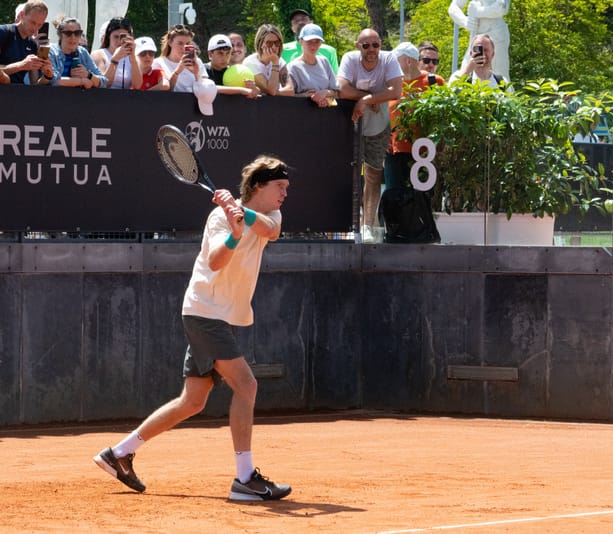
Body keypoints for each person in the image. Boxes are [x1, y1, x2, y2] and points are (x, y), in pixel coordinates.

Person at [93, 155, 293, 502]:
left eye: (286, 187)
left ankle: (119, 453)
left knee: (193, 401)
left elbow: (270, 230)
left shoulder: (271, 215)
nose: (285, 194)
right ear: (259, 186)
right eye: (280, 186)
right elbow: (215, 261)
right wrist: (233, 234)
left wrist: (242, 215)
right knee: (246, 385)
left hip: (222, 316)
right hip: (205, 312)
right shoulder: (218, 217)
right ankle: (245, 479)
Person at [337, 28, 403, 243]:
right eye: (366, 45)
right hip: (350, 124)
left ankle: (367, 225)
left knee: (374, 175)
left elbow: (396, 91)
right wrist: (369, 96)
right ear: (358, 46)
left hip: (378, 126)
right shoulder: (349, 59)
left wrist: (366, 101)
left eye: (376, 44)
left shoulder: (389, 59)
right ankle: (348, 224)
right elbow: (343, 89)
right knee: (349, 174)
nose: (371, 49)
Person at [386, 41, 445, 190]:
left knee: (422, 197)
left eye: (396, 61)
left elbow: (444, 115)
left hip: (425, 153)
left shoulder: (434, 82)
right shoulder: (391, 84)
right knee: (394, 195)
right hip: (394, 153)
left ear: (408, 61)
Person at [0, 0, 53, 84]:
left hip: (18, 91)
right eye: (32, 22)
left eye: (40, 25)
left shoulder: (33, 44)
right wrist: (20, 66)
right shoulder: (0, 32)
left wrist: (48, 75)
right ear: (22, 15)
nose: (35, 28)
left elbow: (34, 85)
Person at [448, 0, 510, 81]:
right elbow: (453, 7)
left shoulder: (475, 9)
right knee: (466, 72)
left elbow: (502, 8)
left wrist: (477, 11)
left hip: (496, 36)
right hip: (476, 37)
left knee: (500, 76)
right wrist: (465, 22)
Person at [280, 23, 338, 107]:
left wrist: (325, 93)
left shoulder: (324, 61)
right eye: (309, 41)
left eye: (317, 41)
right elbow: (286, 97)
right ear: (301, 41)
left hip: (327, 112)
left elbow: (336, 91)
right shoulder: (292, 67)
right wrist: (305, 96)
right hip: (301, 112)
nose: (313, 45)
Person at [48, 16, 105, 89]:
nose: (73, 37)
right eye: (68, 33)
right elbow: (53, 80)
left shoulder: (83, 52)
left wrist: (88, 75)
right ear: (60, 35)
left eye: (77, 33)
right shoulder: (51, 51)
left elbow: (103, 82)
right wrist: (82, 81)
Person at [281, 8, 339, 74]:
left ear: (312, 22)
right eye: (296, 21)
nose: (300, 22)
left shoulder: (329, 51)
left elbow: (335, 76)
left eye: (304, 19)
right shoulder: (283, 50)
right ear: (292, 28)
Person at [153, 24, 207, 93]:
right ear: (170, 42)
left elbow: (206, 90)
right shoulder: (158, 63)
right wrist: (177, 71)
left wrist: (196, 73)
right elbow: (163, 91)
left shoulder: (197, 61)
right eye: (180, 43)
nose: (184, 47)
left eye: (188, 43)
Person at [91, 17, 140, 90]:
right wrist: (115, 60)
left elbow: (137, 86)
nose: (119, 41)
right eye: (116, 37)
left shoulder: (134, 58)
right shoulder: (98, 55)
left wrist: (132, 58)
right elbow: (104, 84)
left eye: (123, 37)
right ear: (108, 37)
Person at [205, 33, 258, 98]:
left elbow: (253, 92)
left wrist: (254, 89)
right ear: (210, 54)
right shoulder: (202, 69)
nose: (224, 58)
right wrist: (241, 90)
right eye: (220, 53)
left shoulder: (233, 71)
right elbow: (206, 88)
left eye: (228, 53)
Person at [243, 24, 287, 96]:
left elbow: (290, 90)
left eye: (277, 43)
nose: (274, 47)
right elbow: (271, 90)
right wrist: (275, 63)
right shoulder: (250, 63)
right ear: (260, 44)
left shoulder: (280, 60)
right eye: (269, 43)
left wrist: (277, 93)